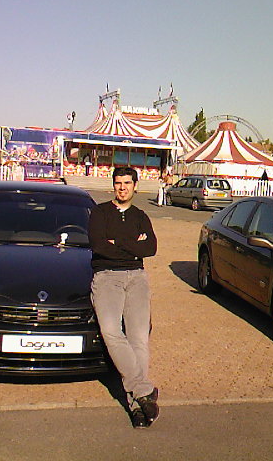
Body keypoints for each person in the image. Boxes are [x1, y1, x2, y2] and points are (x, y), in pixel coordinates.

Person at [88, 167, 159, 428]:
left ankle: (136, 406)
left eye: (127, 183)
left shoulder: (141, 216)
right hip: (107, 278)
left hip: (137, 278)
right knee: (111, 332)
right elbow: (98, 245)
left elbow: (150, 248)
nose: (122, 188)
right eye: (118, 183)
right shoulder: (99, 213)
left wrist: (117, 241)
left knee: (138, 338)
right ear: (113, 186)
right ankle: (144, 391)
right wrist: (131, 244)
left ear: (135, 186)